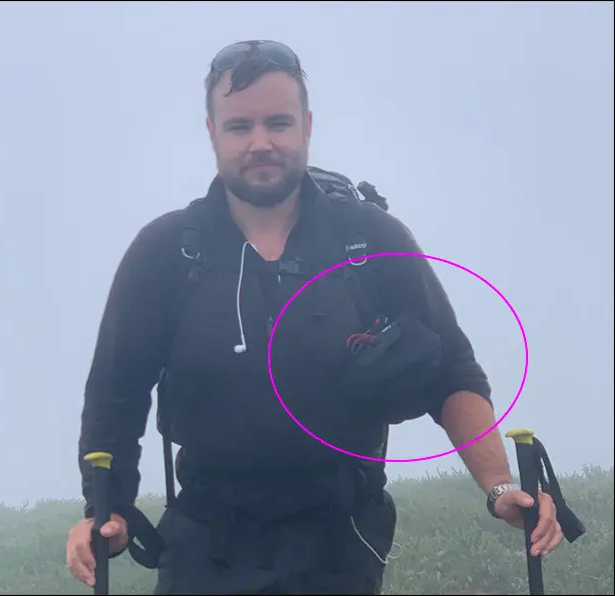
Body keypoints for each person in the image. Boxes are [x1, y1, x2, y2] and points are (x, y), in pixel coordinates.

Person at [66, 40, 565, 595]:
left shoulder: (370, 239)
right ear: (211, 132)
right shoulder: (166, 252)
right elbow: (116, 392)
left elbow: (451, 373)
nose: (261, 143)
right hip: (207, 539)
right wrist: (105, 510)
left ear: (306, 125)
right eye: (239, 127)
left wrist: (500, 489)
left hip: (341, 537)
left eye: (278, 123)